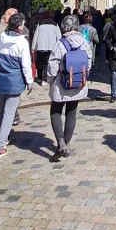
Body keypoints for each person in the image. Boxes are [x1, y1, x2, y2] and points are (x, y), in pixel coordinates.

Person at [0, 12, 33, 160]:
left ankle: (2, 137)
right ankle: (0, 145)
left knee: (1, 111)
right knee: (9, 113)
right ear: (20, 25)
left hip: (0, 78)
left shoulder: (0, 37)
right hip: (15, 80)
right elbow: (25, 65)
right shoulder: (22, 42)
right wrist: (30, 81)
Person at [45, 14, 93, 160]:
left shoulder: (61, 43)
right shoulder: (84, 43)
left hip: (61, 83)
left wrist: (50, 80)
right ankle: (67, 142)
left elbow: (52, 65)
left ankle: (60, 141)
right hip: (77, 82)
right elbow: (89, 63)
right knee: (71, 113)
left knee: (55, 112)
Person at [32, 11, 62, 84]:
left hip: (40, 46)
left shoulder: (40, 24)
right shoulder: (55, 25)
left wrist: (33, 47)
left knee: (39, 63)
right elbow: (59, 37)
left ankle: (39, 77)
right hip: (51, 46)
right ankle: (45, 78)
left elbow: (35, 36)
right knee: (47, 63)